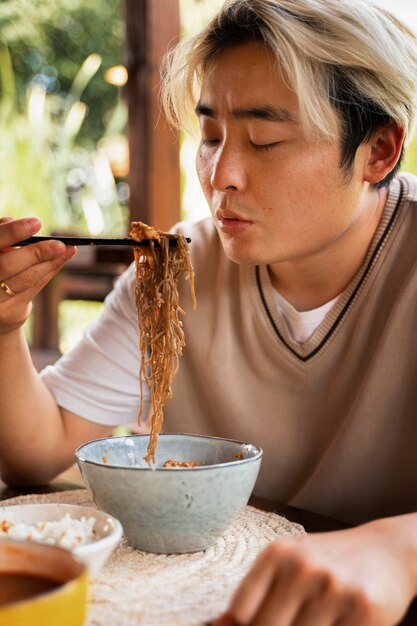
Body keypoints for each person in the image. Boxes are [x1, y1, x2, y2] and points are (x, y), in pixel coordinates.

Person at [1, 0, 417, 623]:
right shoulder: (177, 267)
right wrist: (6, 329)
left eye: (265, 140)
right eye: (211, 137)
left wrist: (401, 548)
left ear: (379, 152)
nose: (220, 174)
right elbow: (42, 452)